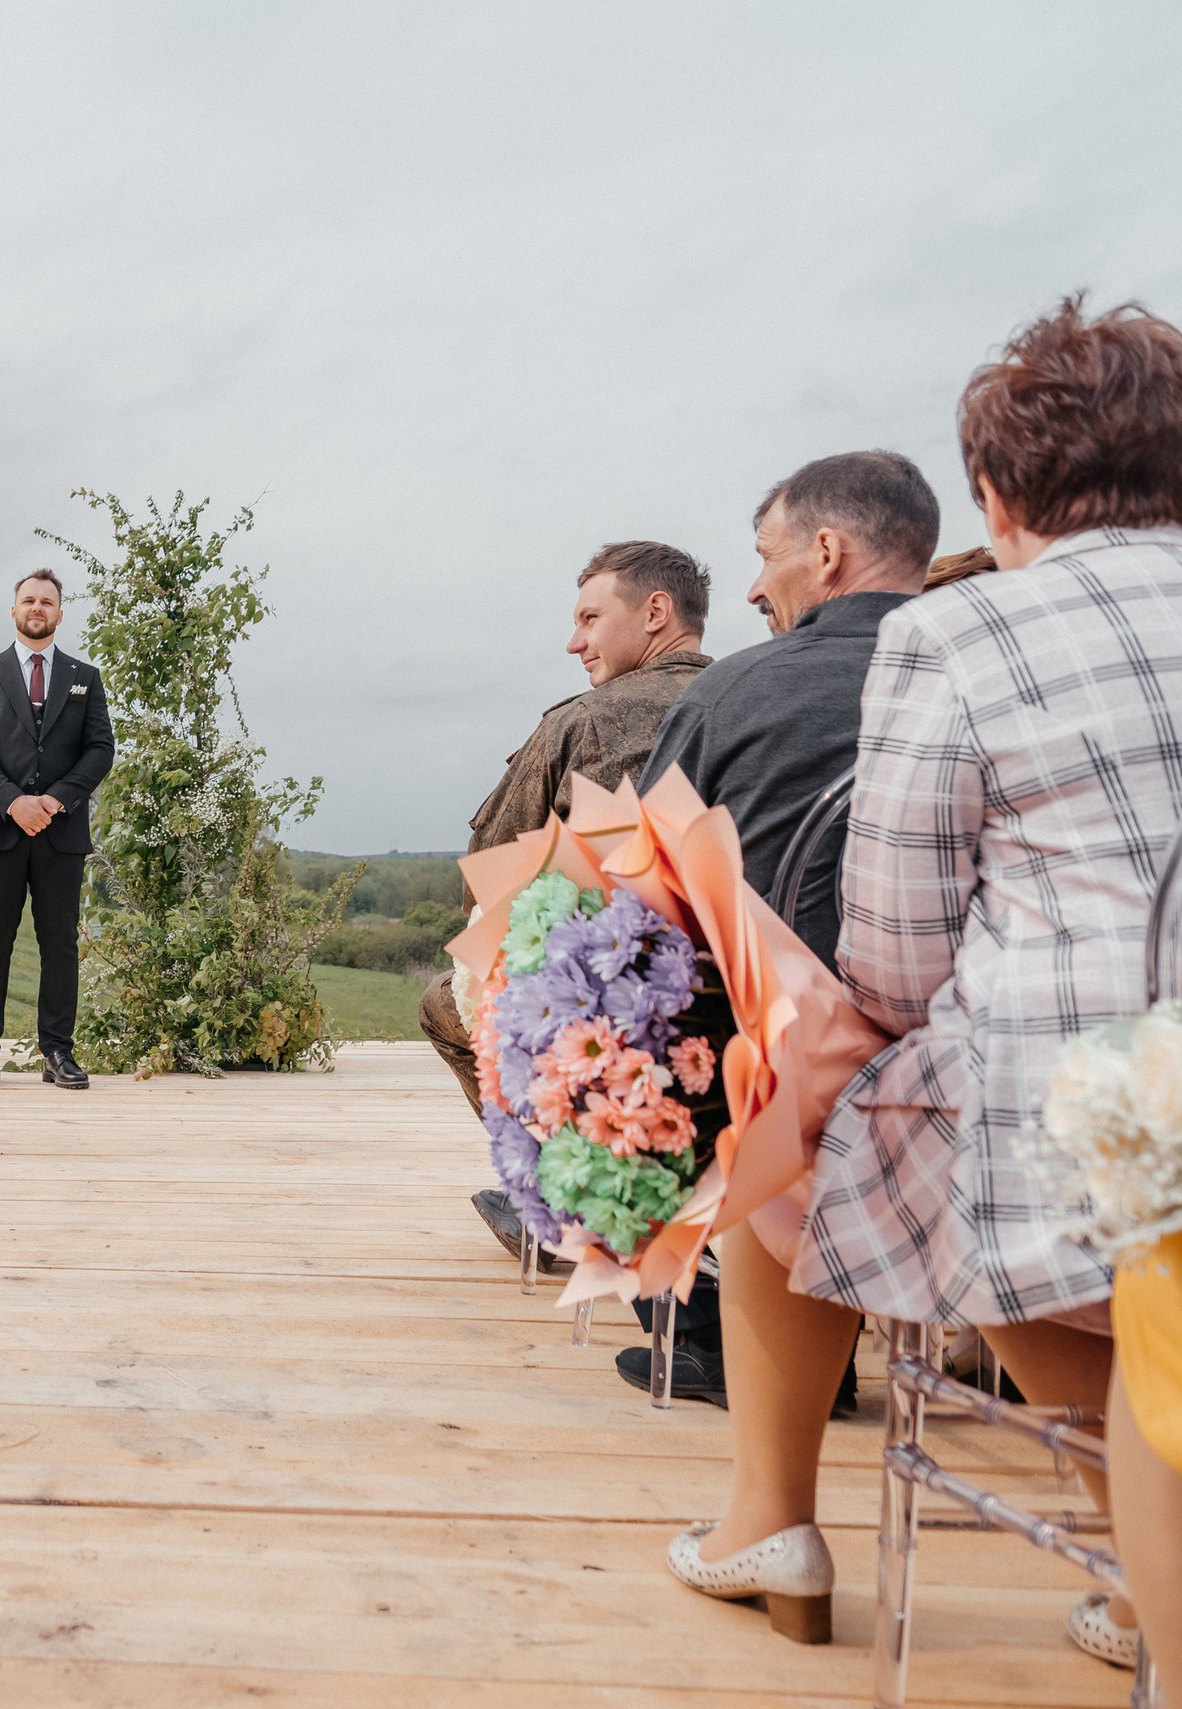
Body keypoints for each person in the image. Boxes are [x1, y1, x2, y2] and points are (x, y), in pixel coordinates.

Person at [667, 297, 1182, 1669]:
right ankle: (1136, 1573)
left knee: (790, 1119)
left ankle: (770, 1515)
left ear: (1003, 493)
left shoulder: (960, 639)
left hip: (1089, 1150)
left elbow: (892, 954)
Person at [618, 450, 940, 1407]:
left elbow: (643, 885)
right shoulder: (997, 679)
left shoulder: (736, 692)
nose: (755, 586)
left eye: (766, 557)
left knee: (619, 999)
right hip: (978, 1059)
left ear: (828, 552)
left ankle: (723, 1334)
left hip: (776, 1081)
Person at [446, 543, 713, 1260]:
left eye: (590, 618)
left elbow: (489, 867)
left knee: (449, 1006)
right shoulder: (747, 700)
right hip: (749, 982)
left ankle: (560, 1192)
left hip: (610, 999)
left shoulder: (583, 721)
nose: (575, 642)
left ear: (656, 613)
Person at [0, 567, 114, 1090]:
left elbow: (100, 750)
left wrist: (55, 799)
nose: (37, 608)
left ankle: (58, 1054)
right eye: (29, 600)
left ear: (60, 614)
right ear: (15, 609)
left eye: (47, 601)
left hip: (61, 834)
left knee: (60, 945)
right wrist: (14, 802)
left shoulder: (85, 678)